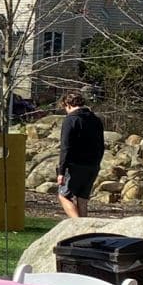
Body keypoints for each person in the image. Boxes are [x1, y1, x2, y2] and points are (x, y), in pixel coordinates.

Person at [57, 89, 105, 219]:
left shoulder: (71, 120)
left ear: (68, 105)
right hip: (92, 165)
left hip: (75, 165)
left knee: (64, 195)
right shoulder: (96, 120)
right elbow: (101, 145)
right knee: (82, 199)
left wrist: (61, 171)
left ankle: (77, 225)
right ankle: (86, 230)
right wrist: (97, 163)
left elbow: (66, 147)